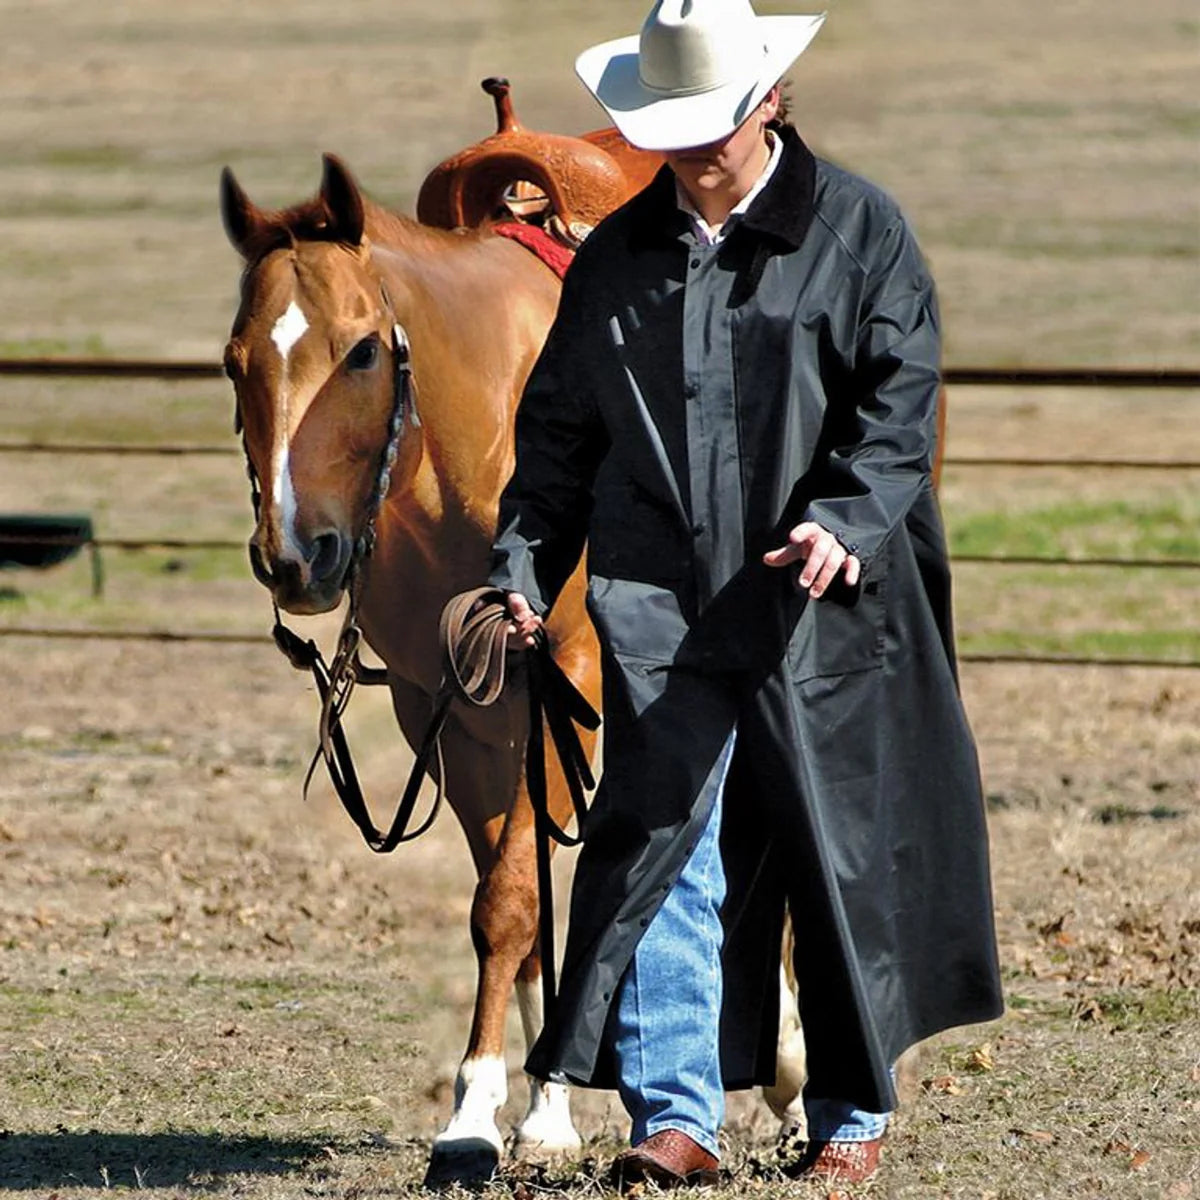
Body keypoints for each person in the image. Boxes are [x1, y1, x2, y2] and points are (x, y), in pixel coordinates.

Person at [488, 0, 1004, 1189]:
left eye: (715, 121)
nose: (697, 147)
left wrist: (846, 519)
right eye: (673, 129)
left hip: (819, 602)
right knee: (667, 847)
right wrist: (520, 568)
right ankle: (676, 1120)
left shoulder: (862, 231)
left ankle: (849, 1116)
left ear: (770, 98)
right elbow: (558, 440)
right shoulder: (616, 261)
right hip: (658, 600)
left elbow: (897, 403)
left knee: (837, 855)